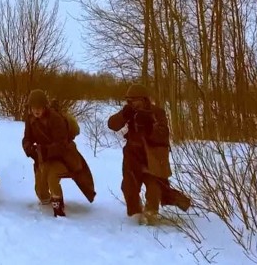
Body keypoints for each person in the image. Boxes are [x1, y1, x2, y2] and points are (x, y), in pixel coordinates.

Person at [107, 84, 191, 225]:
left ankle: (152, 213)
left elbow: (163, 135)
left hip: (152, 156)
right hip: (132, 155)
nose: (131, 103)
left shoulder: (157, 113)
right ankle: (135, 214)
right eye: (129, 101)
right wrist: (123, 115)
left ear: (144, 99)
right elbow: (112, 125)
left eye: (134, 100)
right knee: (129, 186)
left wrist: (150, 125)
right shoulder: (129, 112)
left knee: (154, 187)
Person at [22, 89, 96, 217]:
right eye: (33, 107)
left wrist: (46, 151)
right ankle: (47, 201)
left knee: (52, 177)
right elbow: (27, 138)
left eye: (39, 107)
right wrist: (29, 148)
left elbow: (61, 145)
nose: (36, 110)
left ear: (45, 107)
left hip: (63, 157)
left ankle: (58, 208)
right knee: (41, 192)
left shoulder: (55, 119)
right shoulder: (30, 119)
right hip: (43, 158)